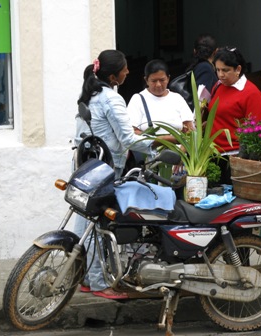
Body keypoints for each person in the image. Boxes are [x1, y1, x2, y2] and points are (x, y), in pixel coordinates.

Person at [73, 50, 170, 300]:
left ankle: (84, 277)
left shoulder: (90, 94)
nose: (129, 72)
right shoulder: (111, 98)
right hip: (103, 170)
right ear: (115, 76)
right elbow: (128, 138)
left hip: (86, 165)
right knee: (98, 226)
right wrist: (163, 143)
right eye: (125, 69)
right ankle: (98, 282)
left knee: (85, 224)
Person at [208, 46, 261, 184]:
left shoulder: (251, 93)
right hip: (212, 154)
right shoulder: (218, 86)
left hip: (234, 158)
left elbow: (255, 132)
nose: (221, 75)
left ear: (238, 69)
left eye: (226, 70)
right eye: (218, 70)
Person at [127, 59, 195, 135]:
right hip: (150, 146)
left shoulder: (177, 98)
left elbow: (189, 129)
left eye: (162, 80)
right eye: (154, 81)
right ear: (146, 80)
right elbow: (132, 131)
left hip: (178, 146)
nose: (158, 85)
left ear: (168, 78)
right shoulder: (138, 100)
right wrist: (160, 140)